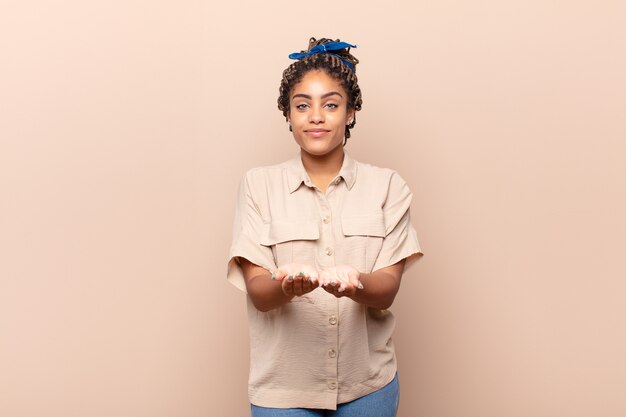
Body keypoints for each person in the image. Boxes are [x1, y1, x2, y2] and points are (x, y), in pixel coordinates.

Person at [227, 37, 423, 417]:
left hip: (369, 388)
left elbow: (387, 291)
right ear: (288, 115)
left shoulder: (388, 186)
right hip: (283, 392)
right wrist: (286, 286)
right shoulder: (257, 185)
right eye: (302, 105)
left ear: (349, 113)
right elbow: (258, 293)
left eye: (330, 104)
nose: (316, 116)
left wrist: (355, 282)